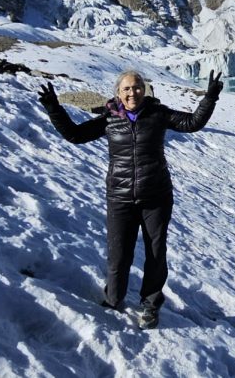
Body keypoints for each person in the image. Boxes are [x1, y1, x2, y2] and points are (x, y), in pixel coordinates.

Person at [37, 69, 223, 329]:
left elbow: (192, 123)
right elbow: (75, 135)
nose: (132, 92)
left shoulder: (158, 114)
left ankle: (150, 303)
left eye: (136, 87)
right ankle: (113, 300)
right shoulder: (109, 119)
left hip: (156, 196)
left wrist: (210, 97)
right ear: (118, 93)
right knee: (118, 255)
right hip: (120, 197)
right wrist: (53, 107)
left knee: (155, 252)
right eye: (126, 89)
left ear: (143, 90)